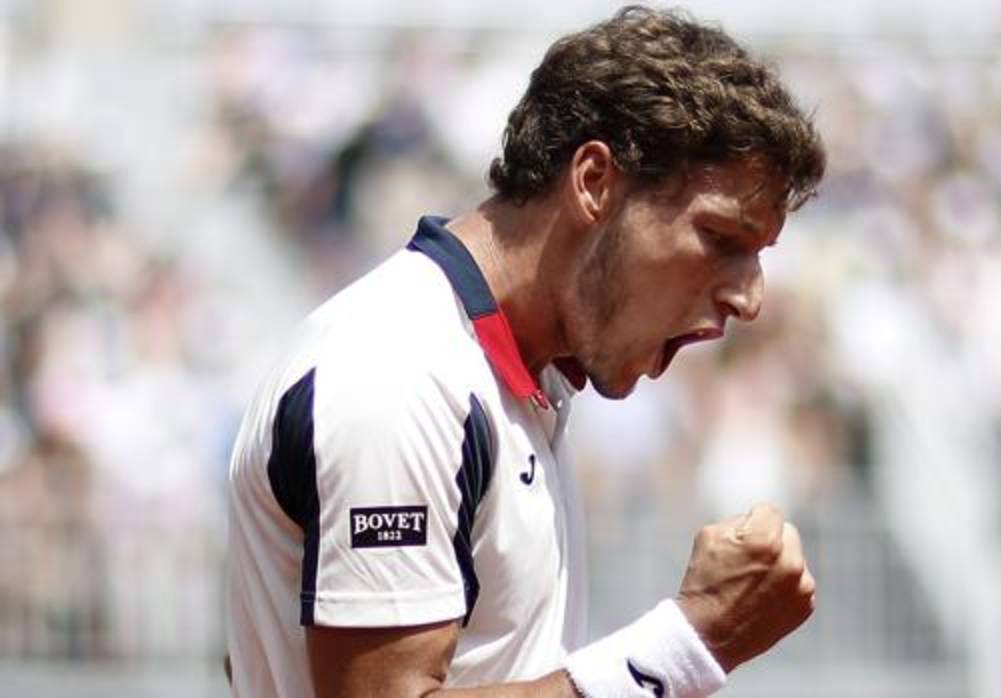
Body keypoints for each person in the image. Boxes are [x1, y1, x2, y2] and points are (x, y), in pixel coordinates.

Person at [226, 6, 826, 697]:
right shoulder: (399, 373)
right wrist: (687, 645)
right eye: (721, 238)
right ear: (595, 181)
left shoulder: (514, 376)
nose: (749, 298)